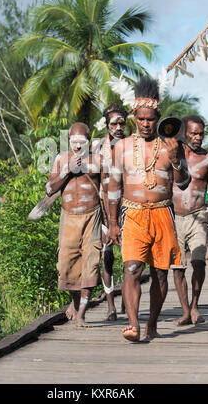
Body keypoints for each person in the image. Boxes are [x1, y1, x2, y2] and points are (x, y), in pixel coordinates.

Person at [106, 76, 190, 342]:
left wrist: (176, 159)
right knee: (131, 268)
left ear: (158, 117)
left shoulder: (171, 146)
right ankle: (133, 324)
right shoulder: (121, 147)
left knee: (161, 275)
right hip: (132, 214)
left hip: (163, 213)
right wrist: (112, 223)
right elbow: (112, 188)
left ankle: (152, 323)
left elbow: (184, 183)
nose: (145, 124)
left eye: (150, 119)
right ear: (134, 116)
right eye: (140, 119)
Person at [46, 122, 107, 327]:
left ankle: (81, 313)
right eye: (74, 141)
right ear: (68, 141)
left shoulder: (98, 160)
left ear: (88, 141)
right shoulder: (61, 158)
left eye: (82, 142)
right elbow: (49, 189)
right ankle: (74, 301)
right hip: (69, 217)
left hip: (93, 215)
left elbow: (107, 193)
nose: (77, 146)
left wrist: (109, 224)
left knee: (91, 264)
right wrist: (66, 171)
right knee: (66, 265)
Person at [172, 115, 208, 326]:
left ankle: (195, 306)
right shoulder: (173, 155)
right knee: (178, 267)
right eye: (194, 133)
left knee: (199, 262)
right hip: (174, 217)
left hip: (198, 215)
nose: (198, 137)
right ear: (184, 133)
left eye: (201, 133)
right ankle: (184, 311)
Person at [92, 102, 128, 321]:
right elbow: (92, 178)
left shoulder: (132, 146)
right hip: (104, 208)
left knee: (129, 258)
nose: (118, 127)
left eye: (122, 123)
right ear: (106, 125)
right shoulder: (97, 148)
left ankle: (127, 299)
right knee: (106, 257)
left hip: (127, 207)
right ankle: (111, 306)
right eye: (114, 123)